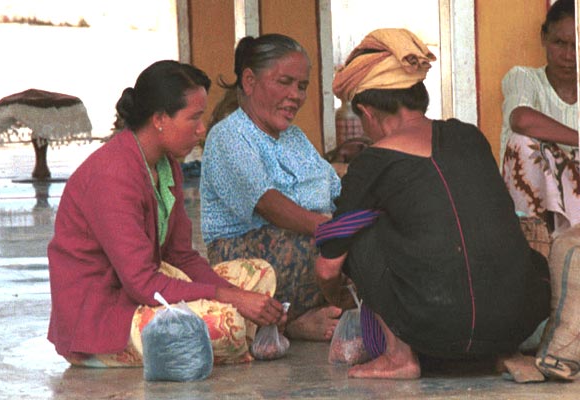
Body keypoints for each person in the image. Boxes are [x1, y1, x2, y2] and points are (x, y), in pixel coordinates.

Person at [316, 28, 551, 380]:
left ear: (366, 111)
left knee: (358, 234)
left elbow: (327, 268)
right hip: (514, 325)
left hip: (438, 332)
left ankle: (399, 357)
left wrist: (340, 300)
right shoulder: (470, 136)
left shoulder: (373, 162)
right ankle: (502, 352)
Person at [47, 60, 286, 367]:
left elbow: (181, 256)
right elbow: (142, 284)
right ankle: (241, 338)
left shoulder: (165, 164)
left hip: (141, 293)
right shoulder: (112, 175)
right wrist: (232, 299)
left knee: (259, 274)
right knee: (228, 321)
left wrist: (233, 293)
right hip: (103, 318)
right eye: (194, 119)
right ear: (160, 119)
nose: (201, 131)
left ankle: (241, 337)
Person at [200, 33, 342, 341]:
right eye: (284, 82)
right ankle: (289, 322)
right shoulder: (229, 136)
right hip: (251, 260)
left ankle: (307, 318)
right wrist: (333, 229)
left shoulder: (295, 138)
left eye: (301, 86)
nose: (295, 94)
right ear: (250, 81)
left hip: (308, 240)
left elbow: (334, 186)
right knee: (327, 246)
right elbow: (268, 205)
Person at [500, 0, 579, 236]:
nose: (568, 55)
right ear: (543, 38)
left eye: (576, 45)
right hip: (540, 209)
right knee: (522, 142)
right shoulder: (524, 78)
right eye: (559, 43)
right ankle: (535, 245)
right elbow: (521, 119)